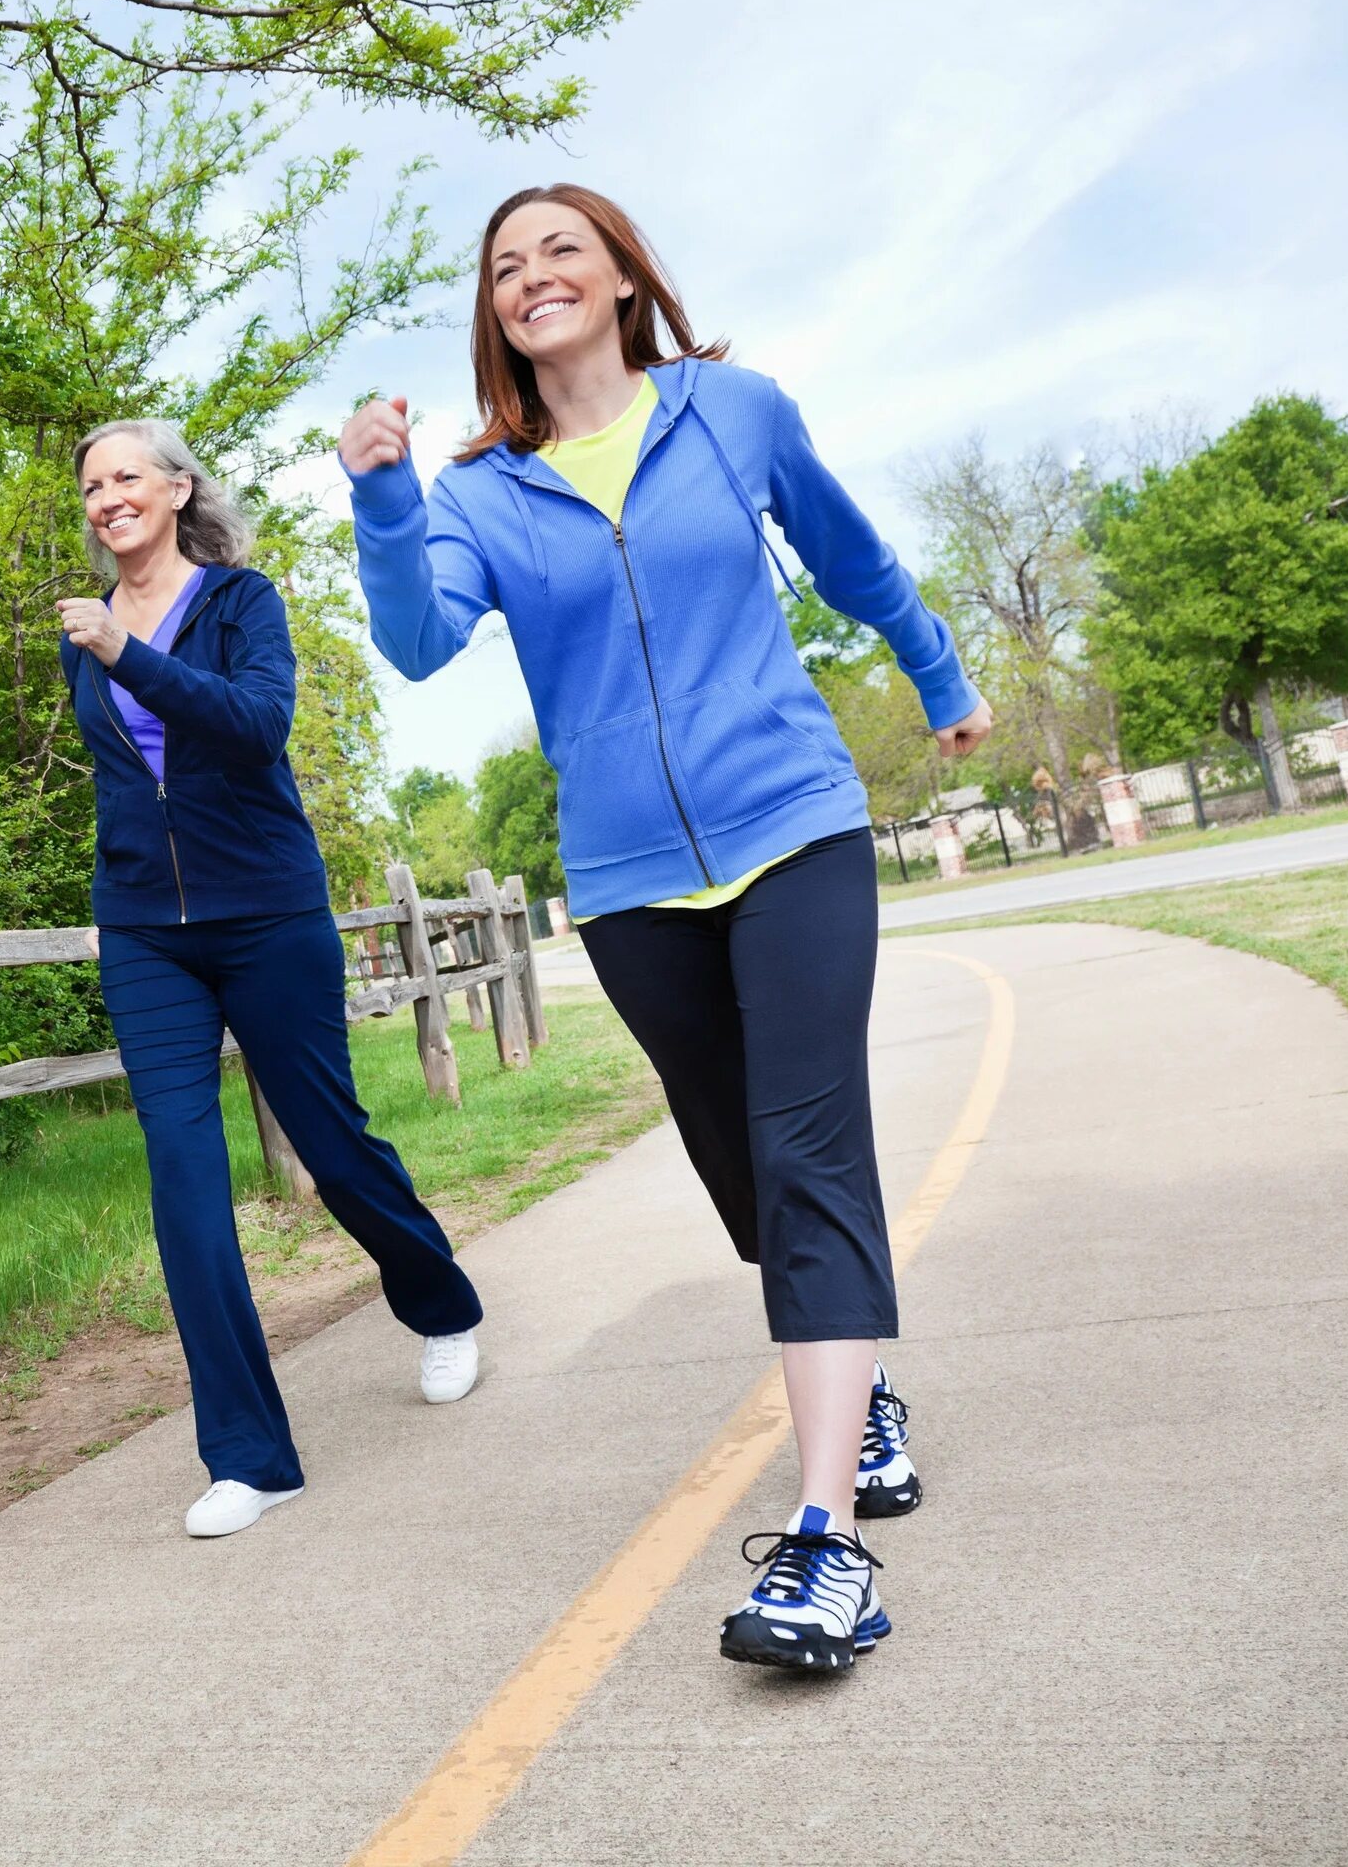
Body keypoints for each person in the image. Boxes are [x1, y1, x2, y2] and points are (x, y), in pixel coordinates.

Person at [338, 184, 989, 1671]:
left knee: (812, 1144)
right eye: (506, 266)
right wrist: (383, 498)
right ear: (493, 316)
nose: (533, 275)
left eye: (562, 248)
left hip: (794, 824)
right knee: (739, 1160)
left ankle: (826, 1542)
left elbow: (852, 555)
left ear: (626, 275)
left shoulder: (733, 409)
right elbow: (421, 643)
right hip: (631, 878)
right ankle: (863, 1380)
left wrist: (940, 676)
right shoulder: (482, 496)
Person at [56, 418, 486, 1540]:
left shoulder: (243, 602)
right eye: (90, 486)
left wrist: (123, 652)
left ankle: (440, 1303)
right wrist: (113, 900)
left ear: (176, 486)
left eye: (125, 476)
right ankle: (249, 1453)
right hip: (149, 933)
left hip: (268, 915)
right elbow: (121, 783)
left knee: (331, 1142)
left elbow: (256, 728)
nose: (106, 498)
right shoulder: (84, 631)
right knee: (184, 1177)